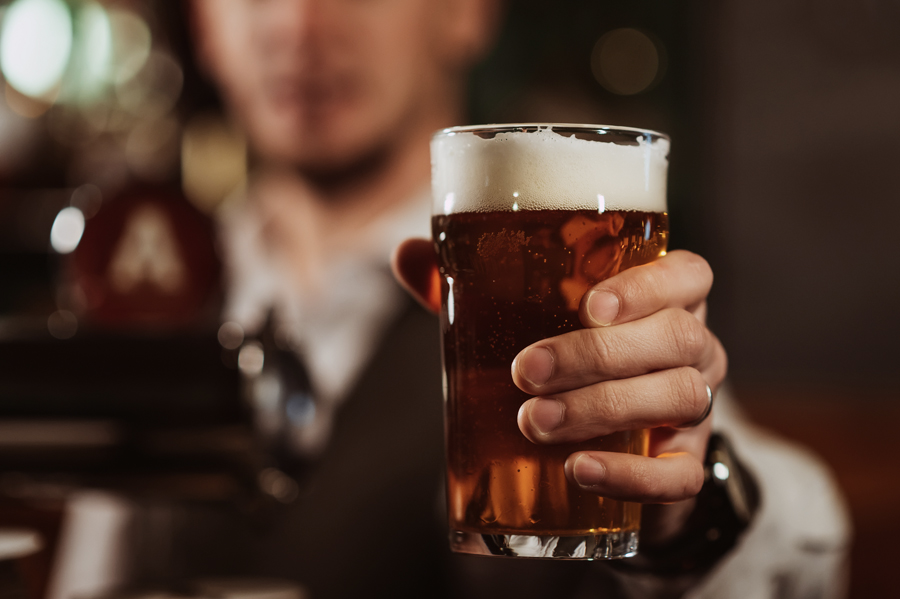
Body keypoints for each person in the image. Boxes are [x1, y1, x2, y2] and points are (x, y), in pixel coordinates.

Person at [53, 0, 849, 597]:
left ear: (468, 13)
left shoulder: (572, 265)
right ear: (206, 26)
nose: (299, 26)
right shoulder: (151, 283)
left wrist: (692, 505)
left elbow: (809, 555)